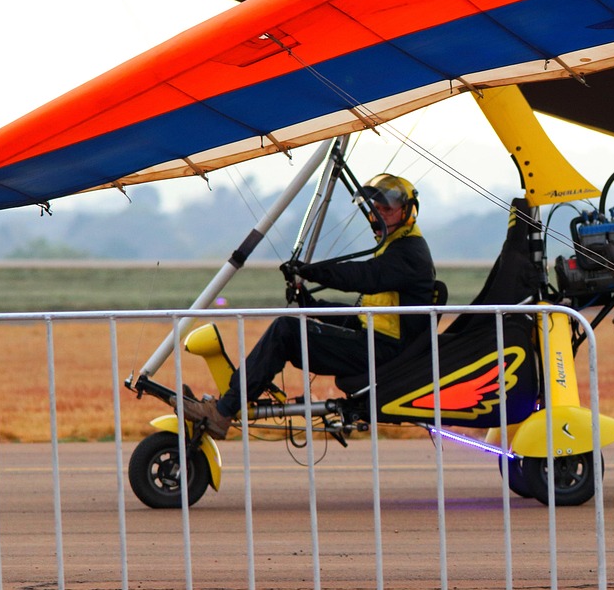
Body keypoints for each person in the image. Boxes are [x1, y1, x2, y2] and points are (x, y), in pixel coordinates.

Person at [183, 174, 436, 439]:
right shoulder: (393, 247)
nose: (380, 215)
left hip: (386, 353)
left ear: (407, 212)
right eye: (377, 209)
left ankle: (222, 412)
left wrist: (312, 272)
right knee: (291, 326)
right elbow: (364, 316)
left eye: (388, 209)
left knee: (286, 331)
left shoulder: (410, 252)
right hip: (378, 343)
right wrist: (312, 305)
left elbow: (363, 276)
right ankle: (228, 402)